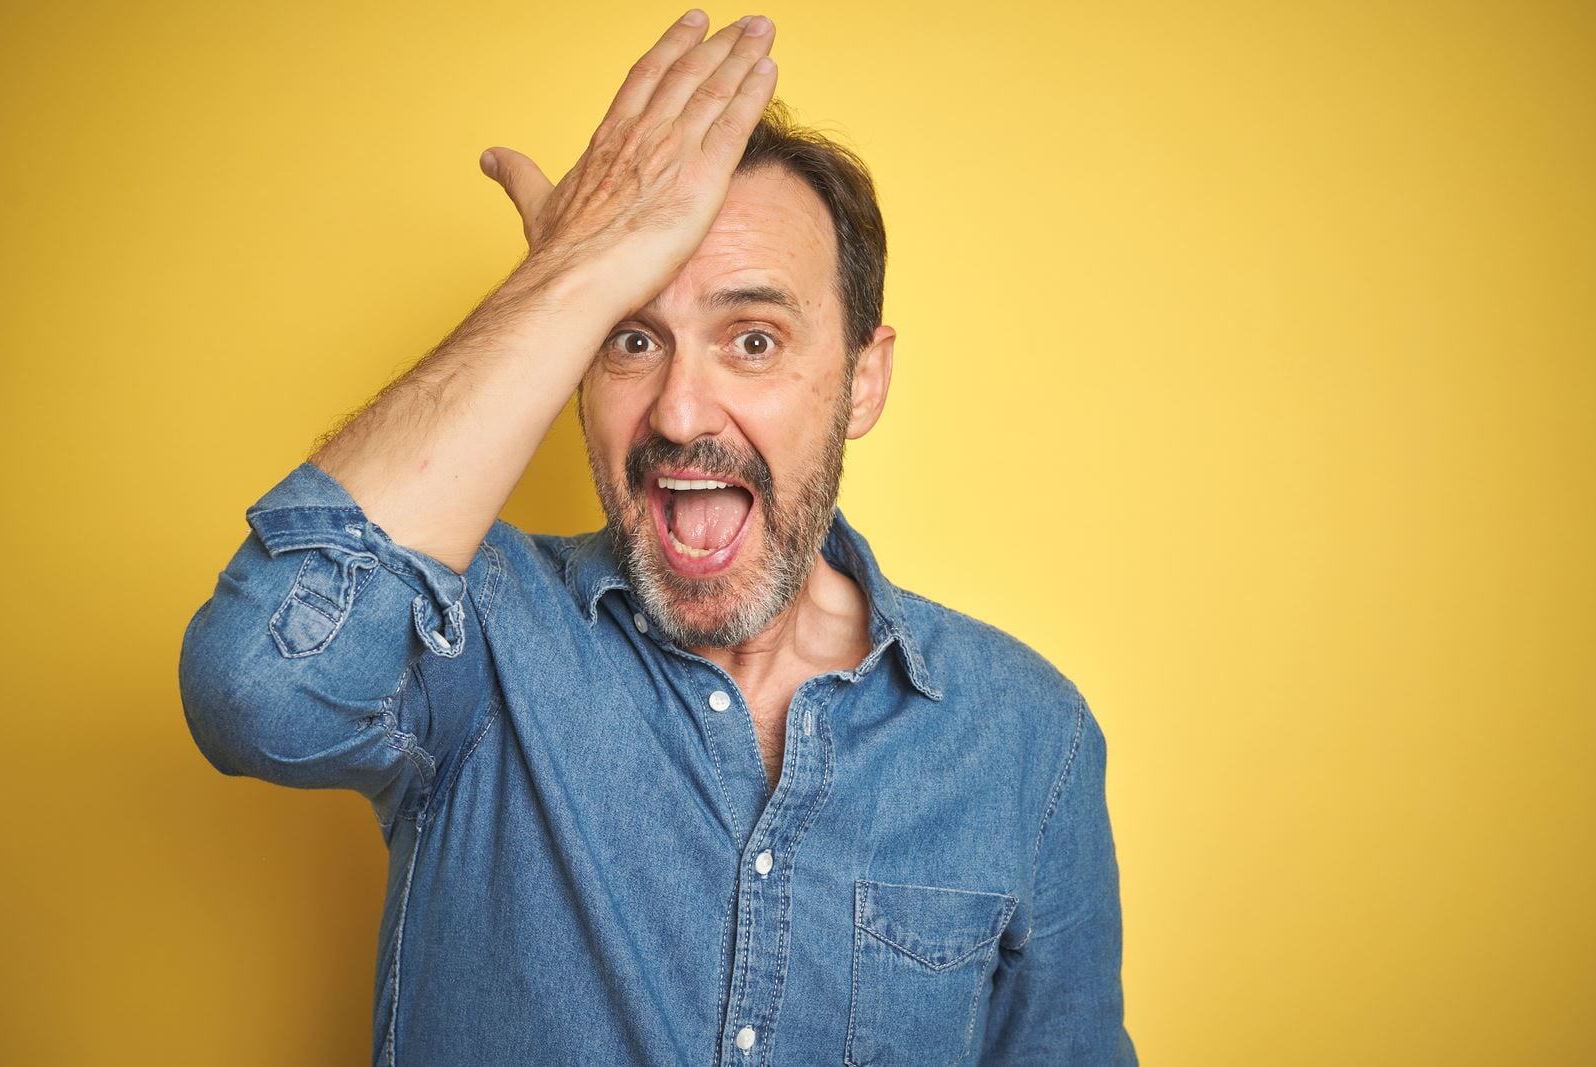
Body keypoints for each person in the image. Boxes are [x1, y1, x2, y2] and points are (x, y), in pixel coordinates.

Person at [178, 9, 1136, 1065]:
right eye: (631, 339)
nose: (680, 412)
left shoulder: (1025, 736)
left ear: (863, 380)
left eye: (753, 339)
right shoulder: (476, 633)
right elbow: (253, 688)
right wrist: (567, 278)